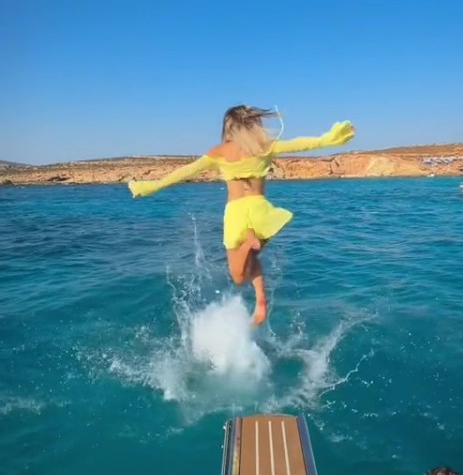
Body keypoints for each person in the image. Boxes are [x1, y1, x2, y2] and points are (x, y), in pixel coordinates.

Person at [128, 107, 355, 324]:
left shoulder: (219, 152)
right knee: (253, 260)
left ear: (228, 127)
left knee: (238, 277)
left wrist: (150, 187)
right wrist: (330, 138)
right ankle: (260, 300)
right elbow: (303, 145)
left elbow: (183, 173)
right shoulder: (263, 146)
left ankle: (248, 244)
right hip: (260, 210)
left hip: (236, 214)